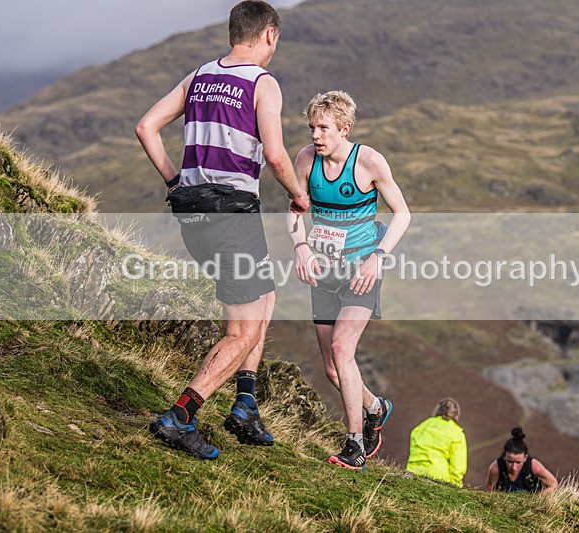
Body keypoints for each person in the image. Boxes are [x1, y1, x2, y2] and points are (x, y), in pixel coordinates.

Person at [136, 0, 309, 460]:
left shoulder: (199, 76)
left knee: (264, 295)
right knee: (243, 331)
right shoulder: (262, 83)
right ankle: (180, 416)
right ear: (269, 34)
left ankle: (245, 403)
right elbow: (275, 155)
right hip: (232, 215)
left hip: (194, 213)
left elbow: (146, 127)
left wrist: (175, 182)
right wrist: (299, 195)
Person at [288, 90, 411, 469]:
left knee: (343, 350)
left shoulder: (369, 162)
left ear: (345, 128)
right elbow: (294, 211)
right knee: (331, 369)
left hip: (362, 271)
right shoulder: (305, 160)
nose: (315, 135)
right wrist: (301, 248)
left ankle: (354, 445)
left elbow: (403, 214)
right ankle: (375, 408)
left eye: (323, 128)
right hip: (324, 273)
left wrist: (378, 257)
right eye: (312, 127)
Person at [405, 398, 468, 487]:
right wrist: (455, 485)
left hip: (413, 473)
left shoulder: (422, 426)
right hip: (439, 478)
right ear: (456, 414)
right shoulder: (456, 432)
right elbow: (458, 466)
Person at [486, 427, 558, 494]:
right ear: (504, 456)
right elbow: (489, 491)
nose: (514, 467)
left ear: (525, 458)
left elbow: (553, 484)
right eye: (510, 462)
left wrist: (538, 499)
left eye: (518, 462)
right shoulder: (495, 468)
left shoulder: (534, 466)